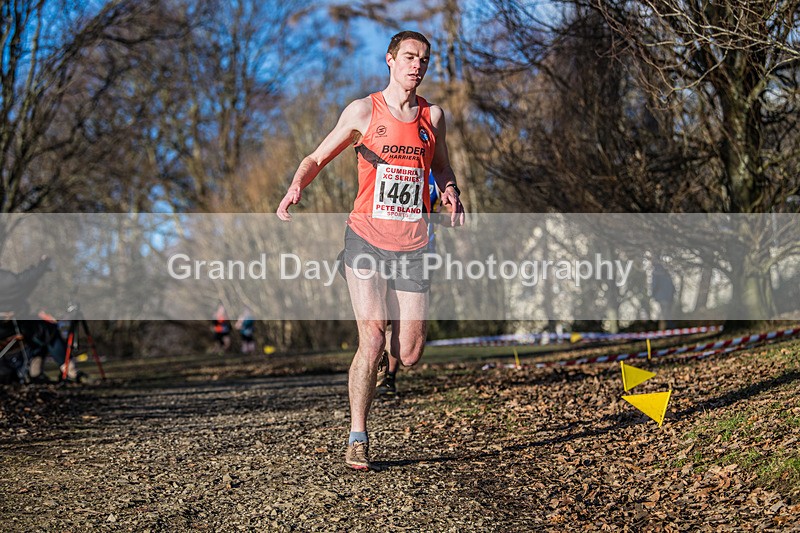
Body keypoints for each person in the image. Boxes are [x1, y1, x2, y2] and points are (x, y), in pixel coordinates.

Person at [277, 30, 465, 470]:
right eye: (409, 57)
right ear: (390, 60)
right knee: (373, 337)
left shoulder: (433, 116)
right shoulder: (363, 111)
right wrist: (296, 186)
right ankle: (358, 436)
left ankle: (381, 359)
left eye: (424, 59)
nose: (417, 65)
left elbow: (441, 166)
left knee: (410, 353)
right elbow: (316, 157)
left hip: (414, 244)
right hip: (364, 238)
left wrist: (451, 191)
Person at [376, 172, 442, 397]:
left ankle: (389, 377)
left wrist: (449, 210)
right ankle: (377, 356)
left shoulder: (436, 178)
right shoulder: (394, 168)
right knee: (383, 318)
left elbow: (443, 213)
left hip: (421, 254)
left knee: (400, 319)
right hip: (385, 250)